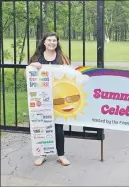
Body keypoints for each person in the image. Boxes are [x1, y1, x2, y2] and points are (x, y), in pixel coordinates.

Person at [27, 32, 71, 166]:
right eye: (49, 40)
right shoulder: (36, 57)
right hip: (41, 98)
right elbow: (27, 74)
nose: (52, 43)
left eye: (54, 40)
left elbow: (70, 74)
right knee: (42, 125)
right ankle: (42, 154)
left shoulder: (62, 57)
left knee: (58, 127)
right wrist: (32, 67)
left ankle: (61, 155)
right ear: (44, 42)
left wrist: (65, 69)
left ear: (57, 43)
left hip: (59, 97)